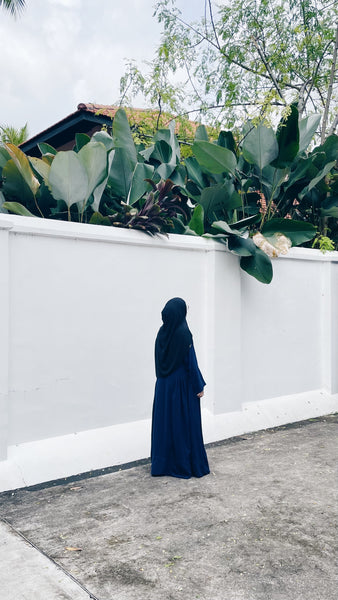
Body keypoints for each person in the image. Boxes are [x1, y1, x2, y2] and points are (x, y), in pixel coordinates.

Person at [151, 297, 210, 479]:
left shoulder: (162, 333)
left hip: (163, 386)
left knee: (166, 424)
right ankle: (185, 465)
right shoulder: (184, 333)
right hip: (181, 386)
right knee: (183, 424)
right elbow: (190, 363)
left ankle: (163, 465)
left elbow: (159, 360)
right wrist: (198, 385)